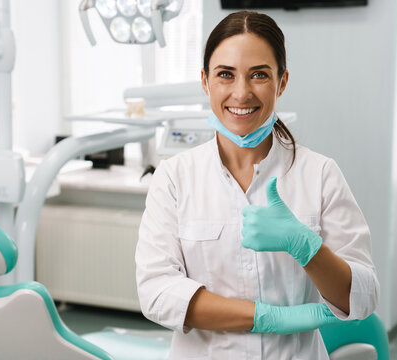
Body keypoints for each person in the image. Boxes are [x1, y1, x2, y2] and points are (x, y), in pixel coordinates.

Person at [135, 10, 379, 360]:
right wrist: (267, 318)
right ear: (205, 81)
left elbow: (364, 295)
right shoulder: (174, 177)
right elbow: (156, 292)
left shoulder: (320, 173)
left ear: (282, 82)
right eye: (225, 75)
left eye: (259, 75)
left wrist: (307, 248)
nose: (241, 92)